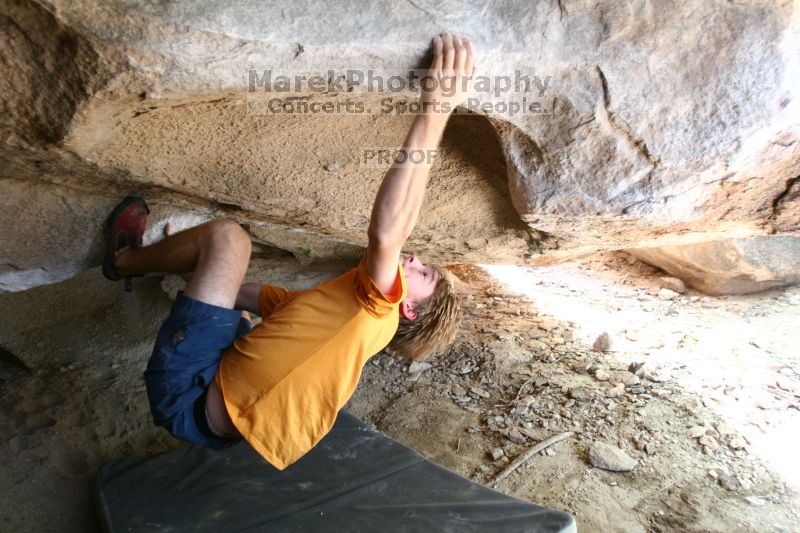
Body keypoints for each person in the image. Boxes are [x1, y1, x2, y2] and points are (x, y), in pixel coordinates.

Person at [102, 32, 472, 469]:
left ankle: (123, 262)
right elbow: (257, 298)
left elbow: (389, 233)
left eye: (422, 274)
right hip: (213, 415)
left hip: (191, 389)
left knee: (228, 239)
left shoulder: (376, 311)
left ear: (408, 309)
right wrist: (196, 274)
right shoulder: (343, 316)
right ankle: (155, 265)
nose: (413, 260)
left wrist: (436, 109)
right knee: (235, 298)